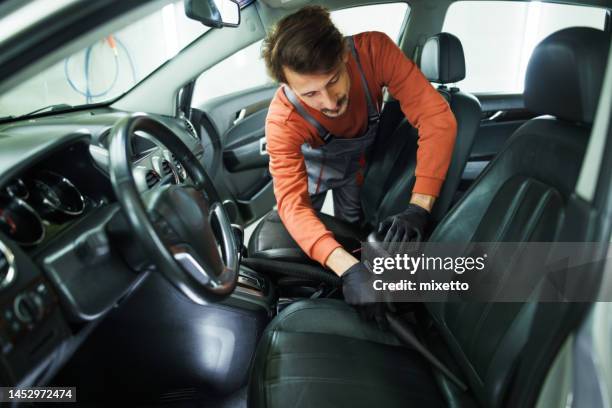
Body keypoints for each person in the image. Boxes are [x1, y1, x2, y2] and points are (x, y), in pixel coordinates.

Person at [261, 6, 457, 305]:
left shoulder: (374, 52)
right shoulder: (282, 121)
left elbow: (436, 118)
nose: (328, 101)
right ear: (287, 85)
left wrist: (419, 206)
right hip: (311, 166)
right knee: (297, 230)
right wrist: (347, 270)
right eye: (310, 94)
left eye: (332, 80)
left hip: (354, 163)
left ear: (343, 54)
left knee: (351, 225)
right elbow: (292, 205)